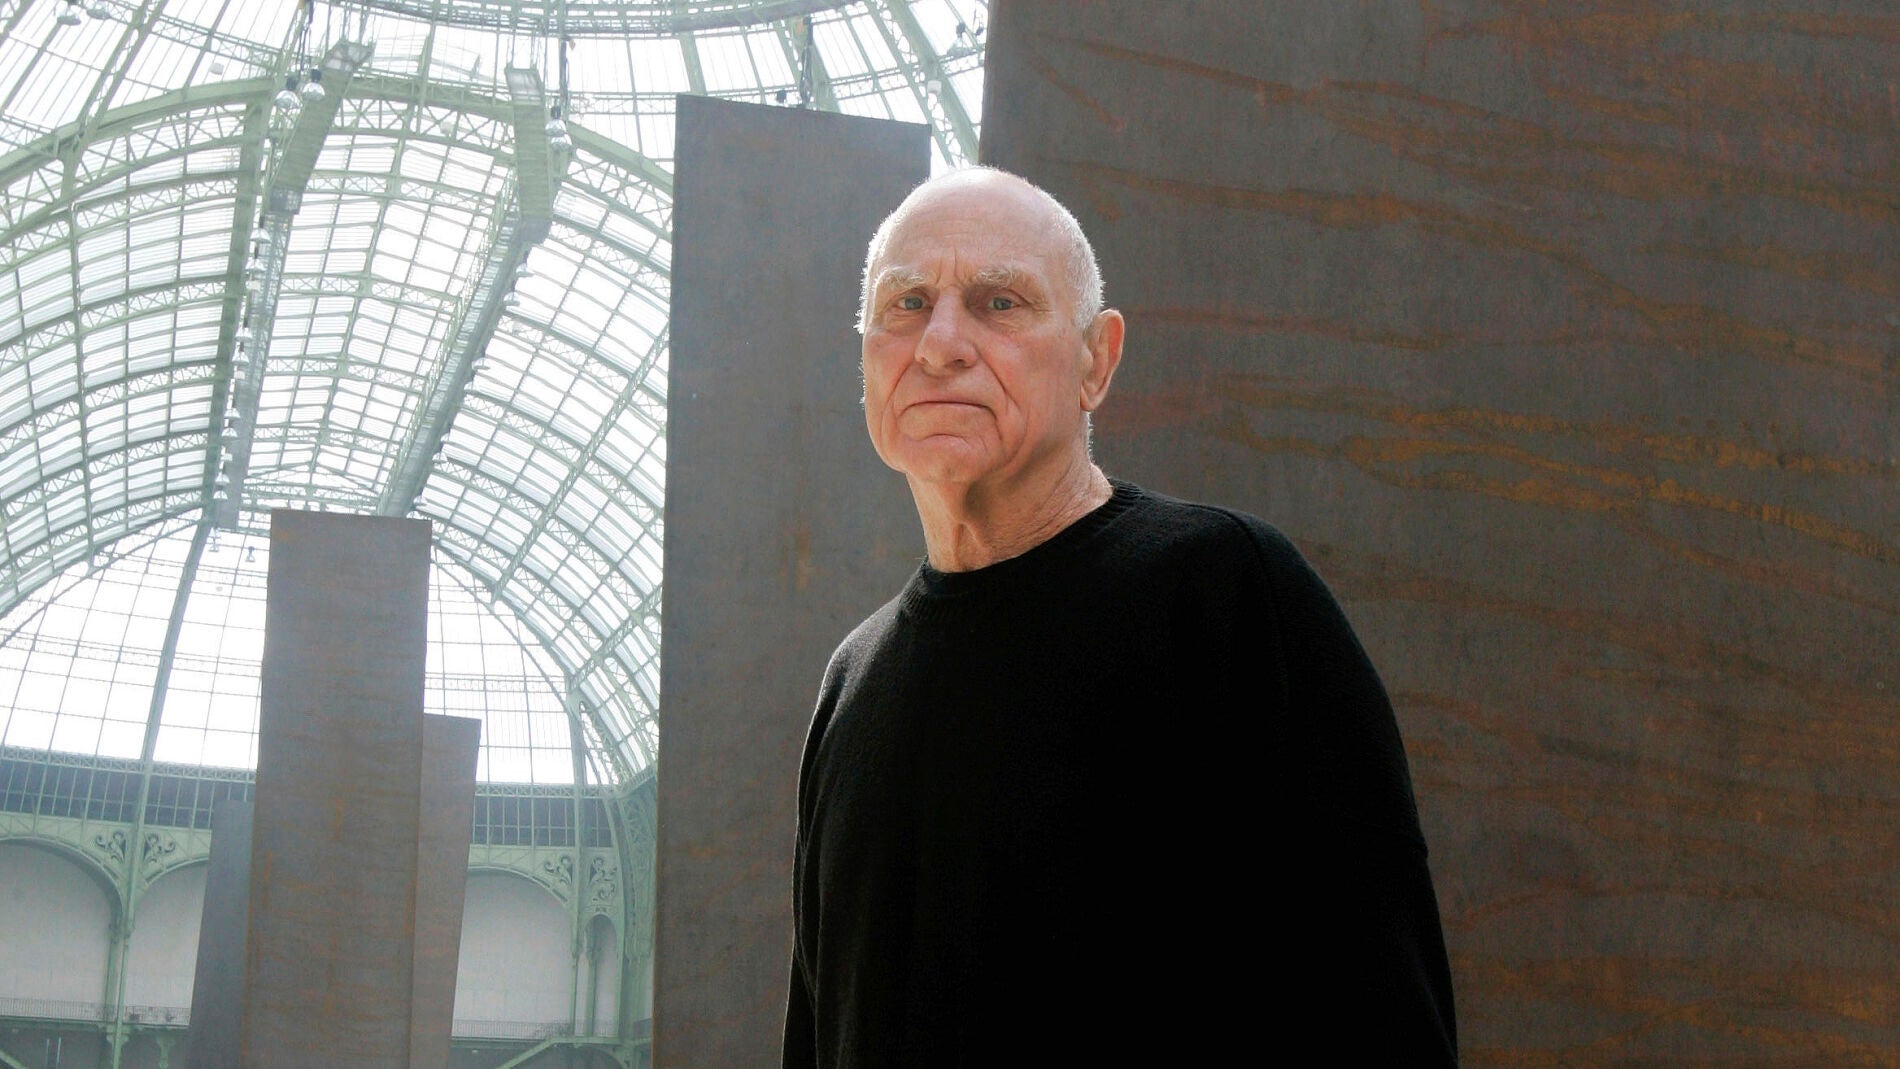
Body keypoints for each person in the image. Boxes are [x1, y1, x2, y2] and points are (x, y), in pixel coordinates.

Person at [783, 167, 1457, 1066]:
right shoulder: (851, 682)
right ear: (866, 360)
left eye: (998, 302)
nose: (940, 344)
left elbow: (1382, 1014)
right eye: (906, 304)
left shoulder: (1225, 596)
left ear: (1096, 361)